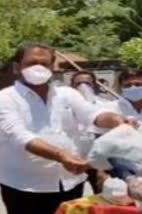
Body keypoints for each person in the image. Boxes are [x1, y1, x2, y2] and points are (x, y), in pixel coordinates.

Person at [0, 42, 128, 214]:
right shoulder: (5, 98)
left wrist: (116, 120)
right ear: (17, 67)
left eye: (44, 63)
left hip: (70, 183)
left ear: (52, 67)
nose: (38, 68)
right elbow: (20, 136)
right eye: (31, 63)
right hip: (26, 186)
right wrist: (62, 156)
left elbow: (93, 115)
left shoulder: (67, 94)